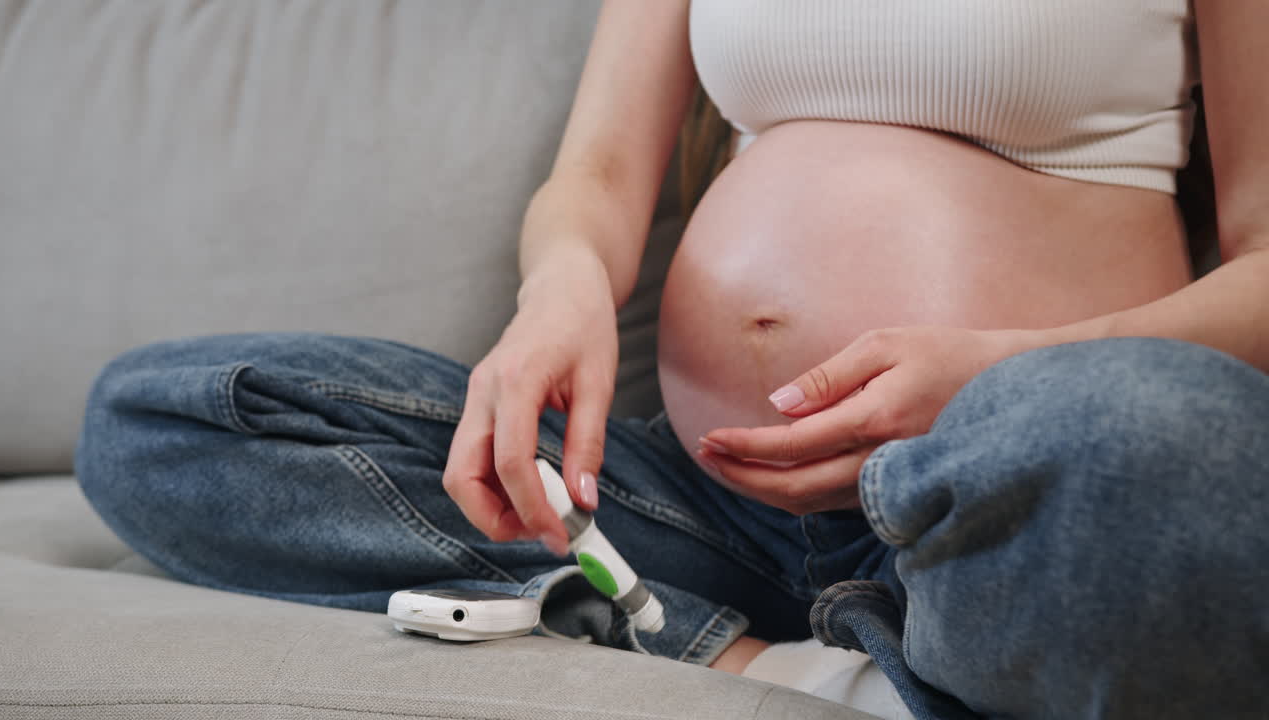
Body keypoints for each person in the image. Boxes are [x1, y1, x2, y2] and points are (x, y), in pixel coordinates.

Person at [76, 2, 1269, 718]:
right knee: (164, 415)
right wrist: (560, 291)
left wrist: (1011, 368)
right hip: (694, 498)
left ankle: (931, 628)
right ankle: (755, 658)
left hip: (996, 486)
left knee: (1166, 443)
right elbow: (594, 180)